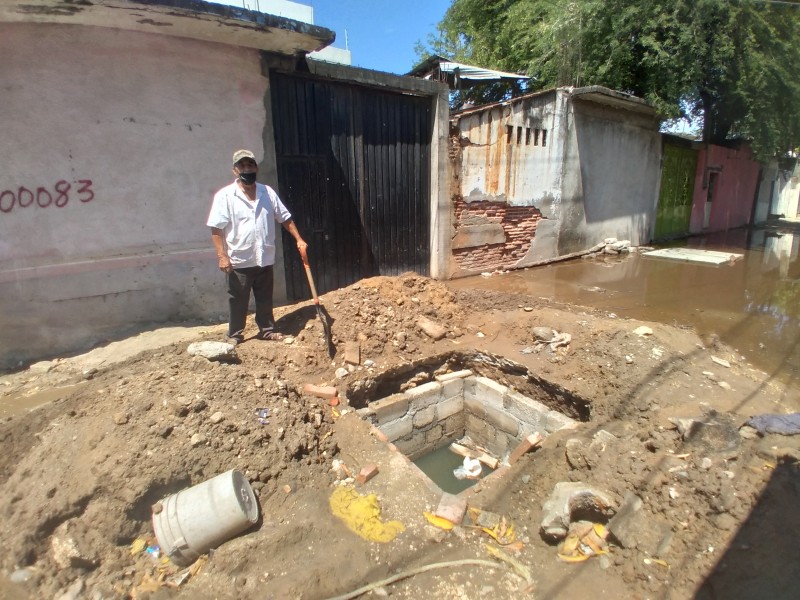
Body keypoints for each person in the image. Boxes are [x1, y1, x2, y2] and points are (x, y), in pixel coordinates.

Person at [207, 149, 307, 345]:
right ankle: (235, 335)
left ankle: (267, 330)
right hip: (239, 259)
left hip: (264, 257)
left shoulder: (267, 192)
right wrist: (222, 256)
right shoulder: (225, 196)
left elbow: (285, 218)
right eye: (242, 166)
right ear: (235, 170)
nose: (247, 169)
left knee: (264, 297)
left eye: (250, 165)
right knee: (238, 299)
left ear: (256, 168)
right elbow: (216, 229)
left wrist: (299, 238)